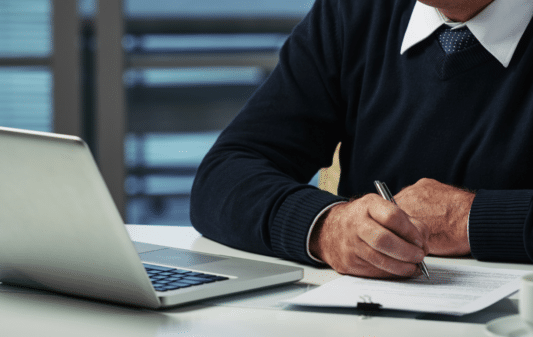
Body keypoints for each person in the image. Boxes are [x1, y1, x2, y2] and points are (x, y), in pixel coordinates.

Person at [190, 0, 533, 279]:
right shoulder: (355, 11)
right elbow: (223, 176)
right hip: (366, 315)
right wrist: (326, 226)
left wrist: (472, 220)